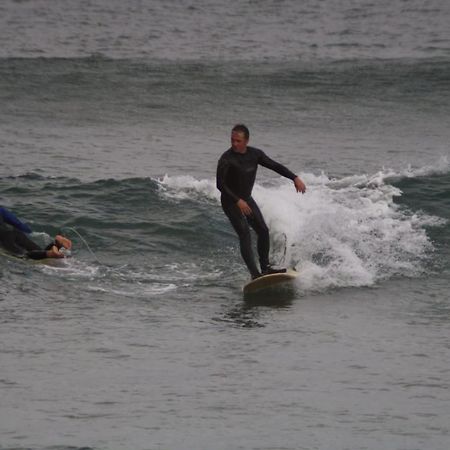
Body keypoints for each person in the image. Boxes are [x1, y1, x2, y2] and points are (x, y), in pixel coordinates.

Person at [216, 124, 306, 279]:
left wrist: (294, 178)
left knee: (263, 231)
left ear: (246, 141)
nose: (234, 144)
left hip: (246, 198)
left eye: (238, 141)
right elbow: (220, 184)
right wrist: (237, 201)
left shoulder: (255, 155)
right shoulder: (226, 159)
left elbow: (274, 165)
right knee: (244, 234)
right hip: (231, 201)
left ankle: (265, 268)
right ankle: (255, 274)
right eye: (232, 140)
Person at [0, 206, 72, 260]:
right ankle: (57, 245)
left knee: (24, 256)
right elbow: (18, 224)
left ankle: (50, 253)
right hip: (16, 233)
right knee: (39, 251)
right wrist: (30, 232)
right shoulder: (1, 209)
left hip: (3, 238)